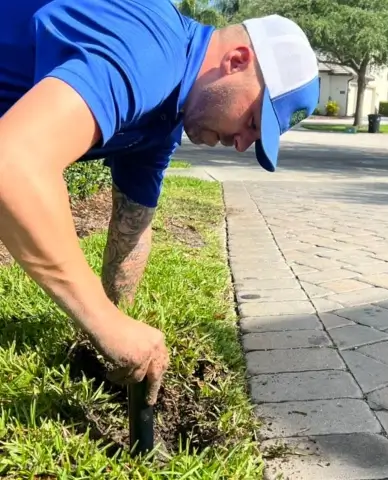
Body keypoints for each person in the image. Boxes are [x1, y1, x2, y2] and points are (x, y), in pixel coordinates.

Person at [0, 0, 320, 405]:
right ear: (237, 60)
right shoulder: (151, 47)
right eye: (252, 121)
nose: (240, 144)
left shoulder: (162, 118)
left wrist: (120, 321)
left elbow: (133, 222)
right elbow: (12, 163)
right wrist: (104, 323)